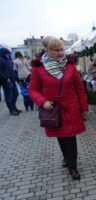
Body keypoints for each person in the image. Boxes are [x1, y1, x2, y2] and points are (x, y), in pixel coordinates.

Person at [29, 36, 88, 180]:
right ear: (47, 50)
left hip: (71, 107)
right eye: (56, 50)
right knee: (61, 136)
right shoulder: (39, 68)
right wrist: (43, 102)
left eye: (62, 49)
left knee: (71, 137)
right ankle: (66, 158)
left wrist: (84, 107)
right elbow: (32, 90)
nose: (61, 53)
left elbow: (79, 88)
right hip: (53, 109)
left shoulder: (69, 65)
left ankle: (72, 167)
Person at [0, 48, 20, 115]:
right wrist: (5, 79)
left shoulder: (8, 60)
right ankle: (11, 110)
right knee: (9, 96)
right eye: (7, 53)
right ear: (4, 53)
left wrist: (16, 78)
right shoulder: (0, 60)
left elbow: (11, 70)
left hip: (12, 80)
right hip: (6, 81)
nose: (9, 54)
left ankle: (14, 107)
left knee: (16, 94)